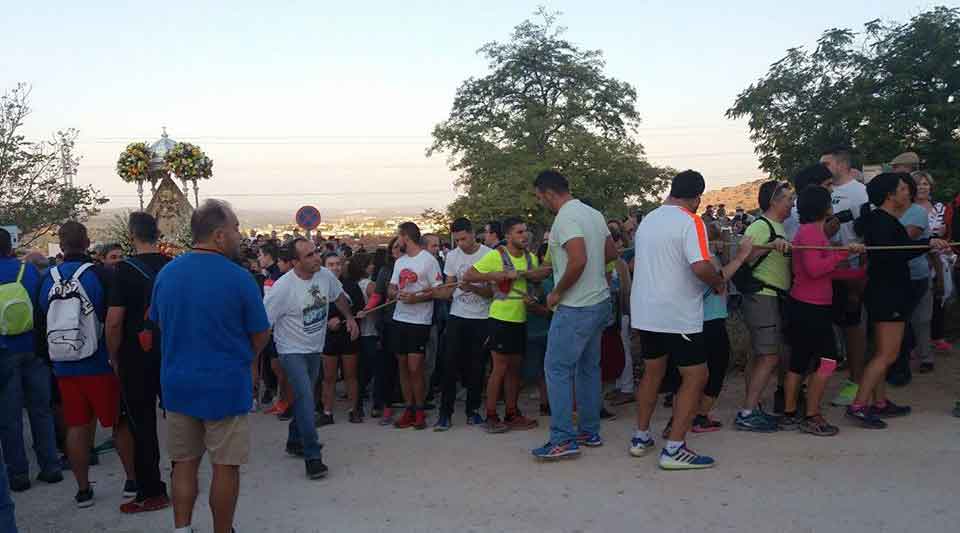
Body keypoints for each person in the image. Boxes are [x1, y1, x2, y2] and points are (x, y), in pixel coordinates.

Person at [150, 200, 271, 533]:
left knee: (183, 465)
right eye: (234, 229)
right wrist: (245, 356)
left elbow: (159, 323)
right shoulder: (239, 278)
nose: (238, 235)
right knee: (225, 467)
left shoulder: (167, 273)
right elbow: (261, 332)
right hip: (226, 385)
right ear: (219, 235)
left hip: (177, 384)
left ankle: (182, 529)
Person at [627, 170, 735, 470]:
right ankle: (675, 447)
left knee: (652, 372)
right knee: (696, 376)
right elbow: (700, 266)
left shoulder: (649, 219)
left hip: (646, 310)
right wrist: (717, 281)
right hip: (677, 312)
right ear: (697, 196)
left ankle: (641, 436)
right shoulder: (691, 221)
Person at [37, 222, 135, 508]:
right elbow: (114, 319)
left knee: (77, 426)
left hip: (64, 366)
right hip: (99, 362)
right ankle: (131, 480)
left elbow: (41, 321)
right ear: (88, 242)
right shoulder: (99, 275)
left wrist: (51, 361)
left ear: (61, 244)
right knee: (119, 422)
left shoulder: (47, 278)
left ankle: (83, 490)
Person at [847, 173, 950, 429]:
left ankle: (879, 402)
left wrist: (928, 244)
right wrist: (929, 243)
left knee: (881, 351)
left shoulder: (885, 221)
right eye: (904, 189)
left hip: (887, 292)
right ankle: (859, 405)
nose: (909, 193)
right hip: (888, 294)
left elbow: (901, 247)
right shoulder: (883, 222)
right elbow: (897, 253)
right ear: (890, 195)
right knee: (887, 353)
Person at [530, 169, 614, 460]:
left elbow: (577, 259)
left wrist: (557, 292)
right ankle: (589, 431)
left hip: (575, 306)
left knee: (556, 369)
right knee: (589, 369)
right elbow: (611, 251)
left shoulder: (564, 219)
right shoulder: (593, 214)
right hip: (600, 302)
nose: (542, 202)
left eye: (540, 197)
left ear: (549, 193)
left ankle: (563, 438)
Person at [265, 238, 358, 480]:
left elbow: (338, 296)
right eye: (309, 255)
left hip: (314, 347)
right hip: (290, 349)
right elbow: (264, 322)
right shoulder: (283, 287)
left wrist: (349, 317)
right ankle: (312, 456)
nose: (316, 257)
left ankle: (295, 439)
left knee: (303, 396)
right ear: (295, 262)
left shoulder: (325, 276)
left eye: (316, 252)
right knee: (306, 396)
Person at [104, 212, 171, 513]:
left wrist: (114, 355)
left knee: (142, 424)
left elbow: (114, 321)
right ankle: (185, 480)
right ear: (157, 234)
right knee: (182, 422)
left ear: (132, 235)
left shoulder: (124, 270)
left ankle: (152, 491)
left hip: (136, 357)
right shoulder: (173, 266)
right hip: (170, 354)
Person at [787, 186, 865, 436]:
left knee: (799, 362)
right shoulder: (811, 232)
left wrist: (860, 271)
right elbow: (815, 269)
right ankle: (811, 415)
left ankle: (790, 414)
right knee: (828, 361)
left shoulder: (811, 231)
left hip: (806, 304)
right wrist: (842, 252)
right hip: (811, 307)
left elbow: (826, 271)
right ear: (824, 207)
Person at [464, 217, 545, 434]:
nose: (524, 235)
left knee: (514, 371)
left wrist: (533, 296)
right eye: (519, 232)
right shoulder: (497, 255)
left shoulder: (531, 258)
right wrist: (495, 275)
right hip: (500, 319)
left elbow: (538, 279)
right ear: (508, 236)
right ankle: (491, 415)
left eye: (525, 231)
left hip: (520, 319)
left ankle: (511, 413)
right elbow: (469, 274)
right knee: (499, 369)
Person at [0, 229, 61, 493]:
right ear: (10, 246)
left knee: (10, 417)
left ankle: (18, 475)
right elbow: (43, 306)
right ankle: (50, 466)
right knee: (41, 409)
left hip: (3, 352)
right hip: (34, 348)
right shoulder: (28, 272)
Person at [735, 180, 793, 432]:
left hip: (768, 296)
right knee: (769, 355)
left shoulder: (777, 226)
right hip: (763, 295)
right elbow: (743, 256)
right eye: (788, 198)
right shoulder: (761, 226)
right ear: (774, 201)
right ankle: (748, 412)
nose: (792, 203)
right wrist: (769, 246)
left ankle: (753, 406)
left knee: (760, 354)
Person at [821, 146, 870, 408]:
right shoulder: (824, 192)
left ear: (841, 164)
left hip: (850, 268)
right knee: (831, 328)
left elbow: (866, 234)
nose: (823, 169)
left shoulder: (860, 193)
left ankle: (856, 382)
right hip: (824, 269)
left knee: (853, 327)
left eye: (826, 163)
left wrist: (861, 274)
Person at [433, 218, 492, 430]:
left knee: (476, 366)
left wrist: (473, 288)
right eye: (456, 240)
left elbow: (492, 292)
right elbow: (449, 287)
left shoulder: (489, 255)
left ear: (473, 233)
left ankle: (473, 411)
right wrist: (438, 292)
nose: (461, 244)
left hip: (481, 318)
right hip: (457, 315)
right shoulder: (452, 256)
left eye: (464, 239)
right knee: (449, 364)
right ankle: (445, 414)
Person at [388, 222, 444, 430]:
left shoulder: (428, 261)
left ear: (405, 237)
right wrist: (395, 293)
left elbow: (438, 291)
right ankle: (409, 409)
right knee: (402, 366)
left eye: (398, 236)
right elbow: (391, 287)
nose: (397, 240)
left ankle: (419, 411)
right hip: (399, 319)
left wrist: (416, 298)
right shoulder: (400, 262)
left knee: (415, 368)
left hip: (419, 321)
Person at [317, 252, 365, 425]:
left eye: (338, 263)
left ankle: (354, 410)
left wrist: (346, 319)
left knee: (350, 375)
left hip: (347, 335)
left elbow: (360, 309)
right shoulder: (318, 286)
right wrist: (328, 322)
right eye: (331, 264)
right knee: (328, 377)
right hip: (328, 336)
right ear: (324, 266)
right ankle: (327, 411)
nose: (335, 267)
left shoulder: (351, 286)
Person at [913, 171, 954, 361]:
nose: (922, 187)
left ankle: (937, 336)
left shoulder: (940, 207)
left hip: (941, 258)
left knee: (940, 297)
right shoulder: (909, 208)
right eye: (919, 184)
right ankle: (916, 343)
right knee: (918, 301)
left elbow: (948, 232)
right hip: (918, 259)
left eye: (925, 184)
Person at [370, 238, 402, 424]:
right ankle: (384, 404)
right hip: (389, 322)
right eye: (395, 247)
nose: (398, 250)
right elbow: (378, 294)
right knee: (386, 366)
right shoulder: (386, 270)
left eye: (401, 247)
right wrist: (368, 309)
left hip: (412, 322)